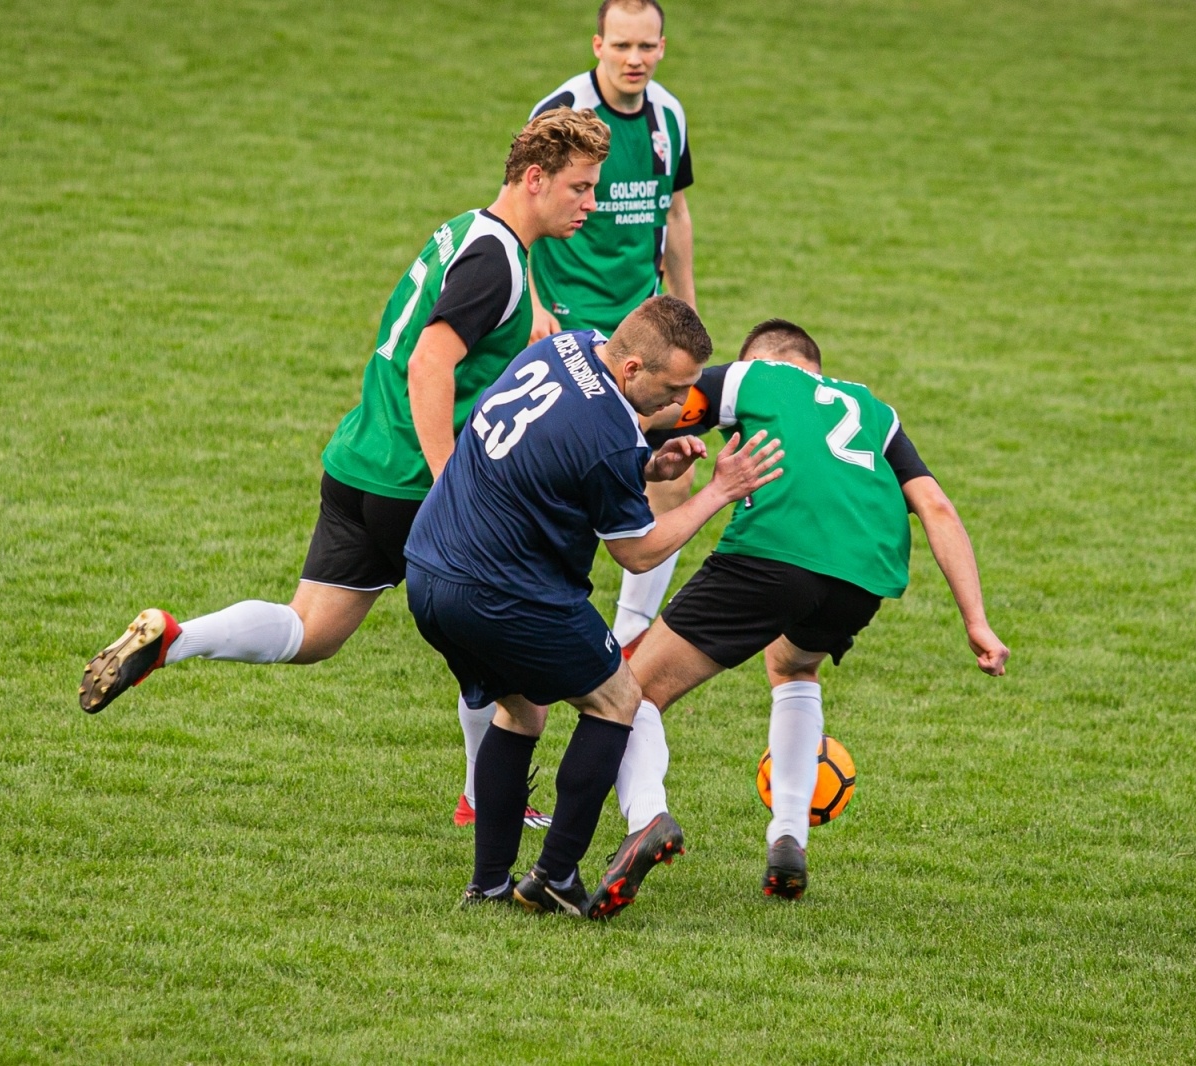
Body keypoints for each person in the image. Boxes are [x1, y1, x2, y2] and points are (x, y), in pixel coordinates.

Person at [79, 110, 611, 831]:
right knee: (518, 675)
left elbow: (469, 314)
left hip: (359, 466)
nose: (591, 203)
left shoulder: (471, 232)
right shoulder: (497, 263)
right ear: (535, 178)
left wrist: (536, 315)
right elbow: (431, 364)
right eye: (581, 188)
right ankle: (487, 802)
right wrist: (454, 481)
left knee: (312, 630)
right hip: (417, 488)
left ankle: (176, 636)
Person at [587, 319, 1011, 918]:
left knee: (632, 692)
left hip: (772, 556)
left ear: (762, 358)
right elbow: (936, 506)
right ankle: (788, 835)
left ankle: (646, 818)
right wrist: (977, 620)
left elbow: (651, 405)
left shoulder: (752, 377)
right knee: (793, 666)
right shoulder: (874, 411)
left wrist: (645, 453)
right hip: (862, 577)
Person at [402, 297, 782, 914]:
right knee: (619, 699)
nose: (682, 405)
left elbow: (564, 455)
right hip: (504, 591)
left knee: (521, 711)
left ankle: (489, 884)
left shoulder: (566, 346)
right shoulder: (608, 434)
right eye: (674, 388)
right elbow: (638, 553)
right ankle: (555, 873)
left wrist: (649, 465)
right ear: (632, 369)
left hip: (430, 567)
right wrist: (719, 490)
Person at [527, 0, 700, 658]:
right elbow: (517, 210)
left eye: (647, 47)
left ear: (662, 47)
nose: (635, 60)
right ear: (597, 43)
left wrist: (685, 309)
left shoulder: (670, 116)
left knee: (673, 473)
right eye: (622, 45)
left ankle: (628, 635)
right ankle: (532, 598)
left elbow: (676, 213)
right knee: (564, 472)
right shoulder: (563, 113)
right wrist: (534, 303)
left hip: (647, 328)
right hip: (571, 329)